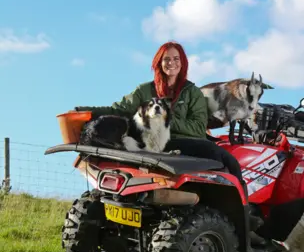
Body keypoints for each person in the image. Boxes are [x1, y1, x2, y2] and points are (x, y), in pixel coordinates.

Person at [73, 41, 264, 239]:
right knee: (221, 155)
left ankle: (243, 215)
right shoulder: (145, 90)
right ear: (158, 63)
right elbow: (119, 109)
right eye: (166, 59)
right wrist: (87, 112)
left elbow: (198, 129)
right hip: (151, 142)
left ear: (183, 63)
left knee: (229, 161)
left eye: (176, 59)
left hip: (183, 141)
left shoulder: (192, 93)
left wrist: (167, 121)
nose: (171, 63)